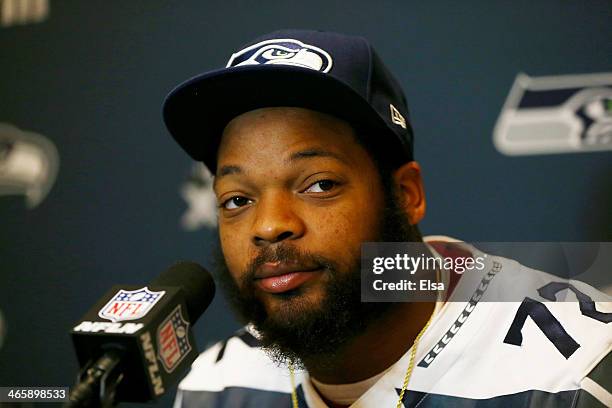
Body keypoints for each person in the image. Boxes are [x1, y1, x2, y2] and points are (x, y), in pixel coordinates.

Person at [163, 30, 611, 408]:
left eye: (319, 184)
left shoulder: (570, 376)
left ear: (406, 194)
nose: (269, 225)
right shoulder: (216, 388)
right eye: (238, 199)